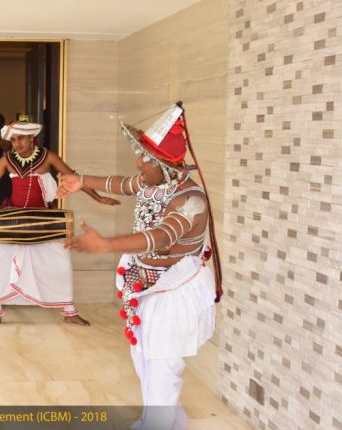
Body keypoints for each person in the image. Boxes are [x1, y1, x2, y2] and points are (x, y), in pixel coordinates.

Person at [57, 103, 222, 430]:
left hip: (174, 293)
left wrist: (106, 245)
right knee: (145, 360)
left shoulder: (191, 201)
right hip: (147, 286)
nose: (138, 162)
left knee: (162, 370)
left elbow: (161, 237)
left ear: (166, 165)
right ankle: (164, 422)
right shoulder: (153, 183)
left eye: (146, 158)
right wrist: (80, 181)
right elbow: (121, 184)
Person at [0, 122, 118, 327]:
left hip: (43, 220)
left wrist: (99, 198)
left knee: (61, 261)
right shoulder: (6, 160)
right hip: (14, 221)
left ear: (31, 138)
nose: (17, 143)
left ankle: (69, 311)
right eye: (13, 140)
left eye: (21, 138)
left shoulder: (48, 157)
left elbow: (74, 179)